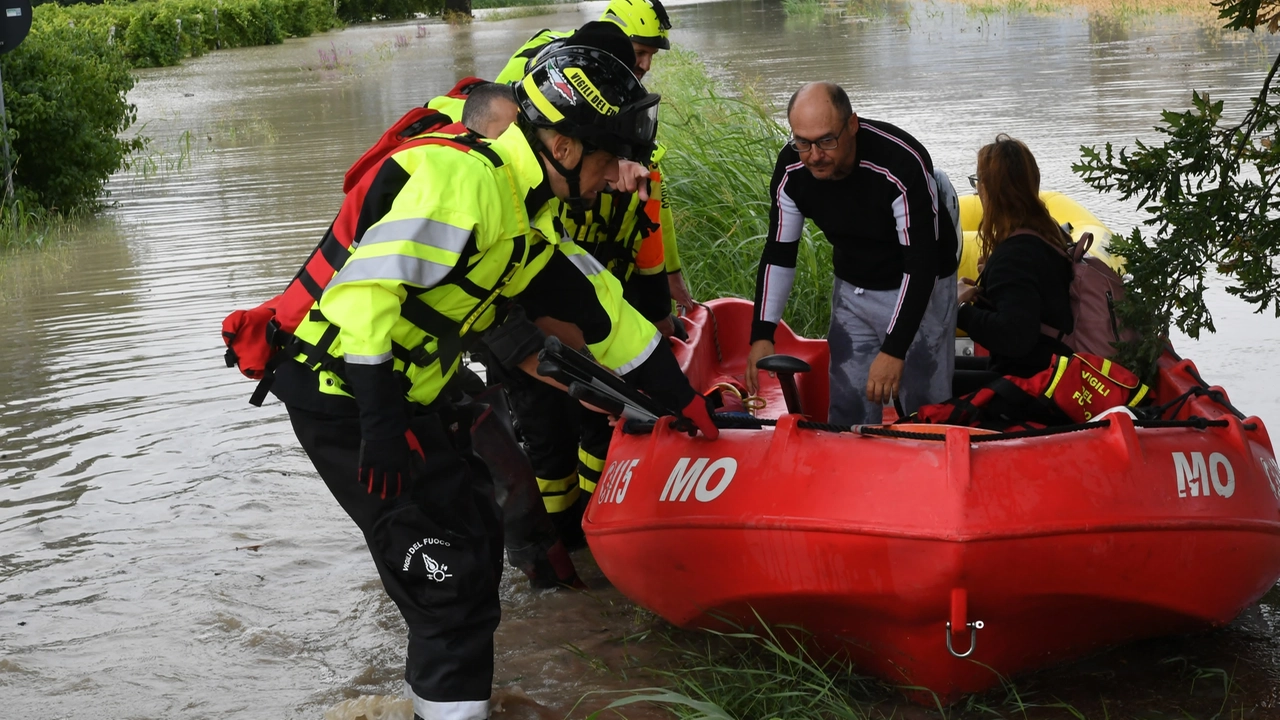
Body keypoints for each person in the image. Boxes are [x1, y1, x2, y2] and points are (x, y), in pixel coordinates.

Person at [268, 46, 717, 720]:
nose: (617, 173)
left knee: (478, 541)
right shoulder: (464, 182)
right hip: (348, 400)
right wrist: (383, 429)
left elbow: (606, 314)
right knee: (445, 582)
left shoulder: (526, 213)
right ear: (562, 143)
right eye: (608, 155)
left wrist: (687, 405)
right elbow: (362, 299)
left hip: (409, 393)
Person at [490, 19, 686, 546]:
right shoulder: (517, 182)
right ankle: (561, 548)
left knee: (597, 423)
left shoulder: (632, 161)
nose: (611, 177)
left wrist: (665, 311)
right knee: (543, 437)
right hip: (525, 319)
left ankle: (591, 536)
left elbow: (642, 250)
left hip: (581, 312)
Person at [746, 82, 960, 425]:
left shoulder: (899, 163)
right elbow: (779, 253)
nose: (814, 155)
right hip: (854, 281)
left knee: (925, 403)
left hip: (920, 278)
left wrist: (893, 350)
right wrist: (762, 334)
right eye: (803, 142)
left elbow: (921, 267)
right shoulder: (792, 169)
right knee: (848, 401)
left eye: (827, 141)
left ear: (852, 125)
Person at [956, 134, 1073, 383]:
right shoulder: (1050, 233)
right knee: (941, 367)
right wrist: (991, 288)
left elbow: (1015, 337)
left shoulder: (1014, 257)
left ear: (991, 190)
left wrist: (959, 309)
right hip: (1055, 367)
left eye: (978, 181)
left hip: (1032, 384)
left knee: (923, 375)